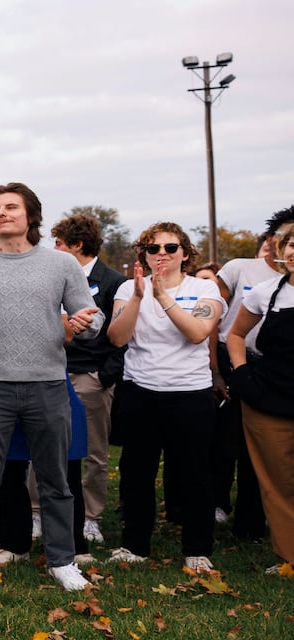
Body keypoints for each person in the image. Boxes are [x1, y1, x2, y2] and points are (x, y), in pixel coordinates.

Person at [0, 182, 101, 592]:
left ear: (31, 216)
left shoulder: (61, 265)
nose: (1, 213)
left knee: (56, 481)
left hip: (47, 387)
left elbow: (93, 321)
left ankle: (62, 561)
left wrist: (84, 324)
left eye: (10, 207)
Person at [106, 222, 224, 574]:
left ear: (185, 254)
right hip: (141, 392)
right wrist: (140, 297)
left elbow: (198, 333)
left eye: (170, 248)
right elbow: (116, 338)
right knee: (136, 472)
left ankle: (197, 548)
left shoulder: (204, 287)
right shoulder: (129, 288)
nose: (162, 254)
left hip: (190, 394)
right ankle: (135, 544)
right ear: (143, 253)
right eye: (153, 248)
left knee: (195, 474)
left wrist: (163, 298)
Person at [212, 206, 294, 537]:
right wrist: (242, 373)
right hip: (269, 397)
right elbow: (233, 333)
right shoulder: (265, 292)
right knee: (277, 479)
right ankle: (287, 552)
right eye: (290, 244)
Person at [48, 213, 127, 546]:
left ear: (77, 245)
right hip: (51, 374)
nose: (53, 249)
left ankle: (90, 517)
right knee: (47, 447)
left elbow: (120, 336)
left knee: (93, 452)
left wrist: (103, 376)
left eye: (59, 243)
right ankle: (39, 512)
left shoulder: (112, 281)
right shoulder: (50, 276)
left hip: (90, 377)